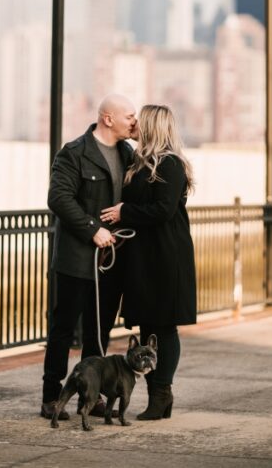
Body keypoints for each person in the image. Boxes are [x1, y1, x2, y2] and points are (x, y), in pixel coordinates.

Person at [39, 94, 138, 420]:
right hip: (76, 259)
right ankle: (51, 398)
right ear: (108, 119)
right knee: (63, 329)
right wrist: (92, 229)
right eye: (129, 117)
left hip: (111, 261)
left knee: (99, 331)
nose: (134, 122)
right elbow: (58, 197)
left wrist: (140, 134)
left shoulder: (127, 152)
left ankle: (91, 398)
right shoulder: (74, 153)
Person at [100, 104, 197, 420]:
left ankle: (161, 394)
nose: (135, 124)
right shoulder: (140, 162)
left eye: (140, 121)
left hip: (166, 257)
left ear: (154, 127)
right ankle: (157, 396)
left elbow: (164, 210)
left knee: (165, 328)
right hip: (144, 258)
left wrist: (124, 211)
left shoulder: (169, 164)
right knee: (147, 326)